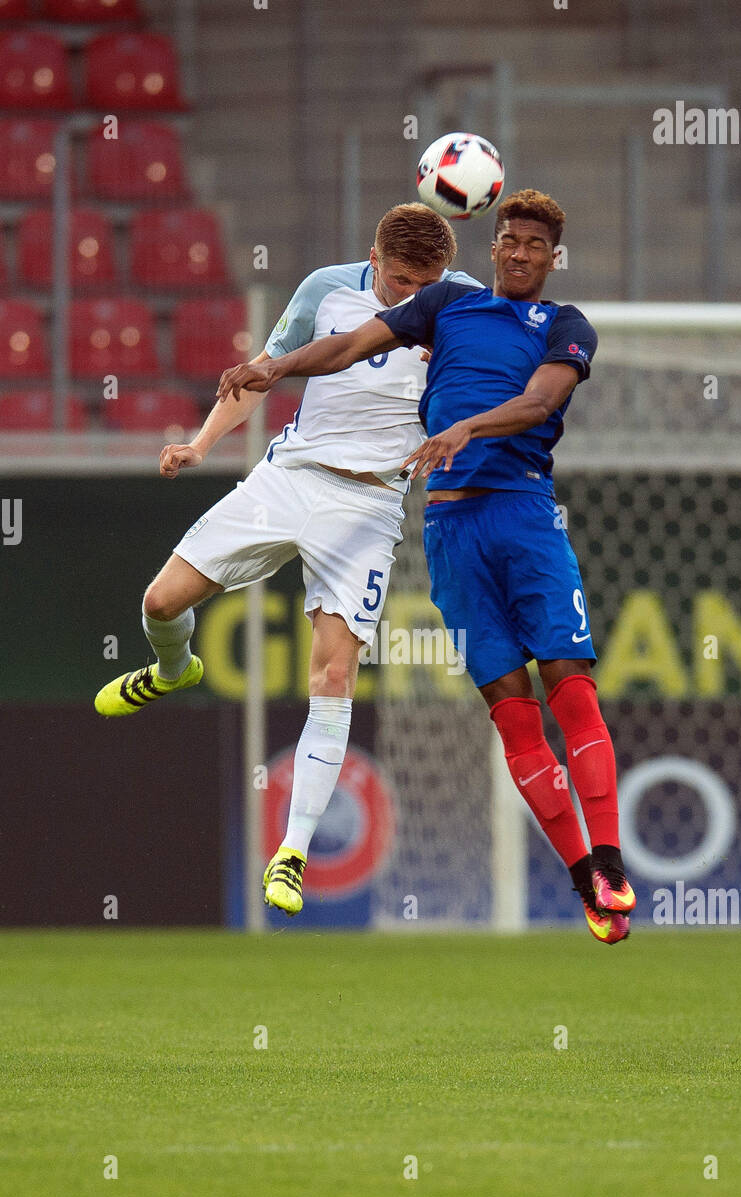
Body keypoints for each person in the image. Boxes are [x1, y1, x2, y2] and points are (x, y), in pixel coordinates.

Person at [217, 189, 634, 944]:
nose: (517, 252)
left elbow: (540, 403)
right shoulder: (444, 303)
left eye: (533, 245)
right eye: (508, 239)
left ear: (551, 257)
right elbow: (347, 347)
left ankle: (609, 858)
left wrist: (463, 426)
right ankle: (584, 882)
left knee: (569, 689)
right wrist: (272, 366)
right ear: (496, 244)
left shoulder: (563, 327)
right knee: (512, 713)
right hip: (450, 530)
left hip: (524, 516)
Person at [95, 203, 479, 917]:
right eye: (399, 282)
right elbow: (261, 373)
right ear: (374, 256)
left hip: (367, 507)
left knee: (332, 672)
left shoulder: (459, 309)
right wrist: (201, 445)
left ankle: (295, 851)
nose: (410, 298)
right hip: (289, 478)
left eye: (423, 285)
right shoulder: (325, 290)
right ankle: (175, 670)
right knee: (159, 602)